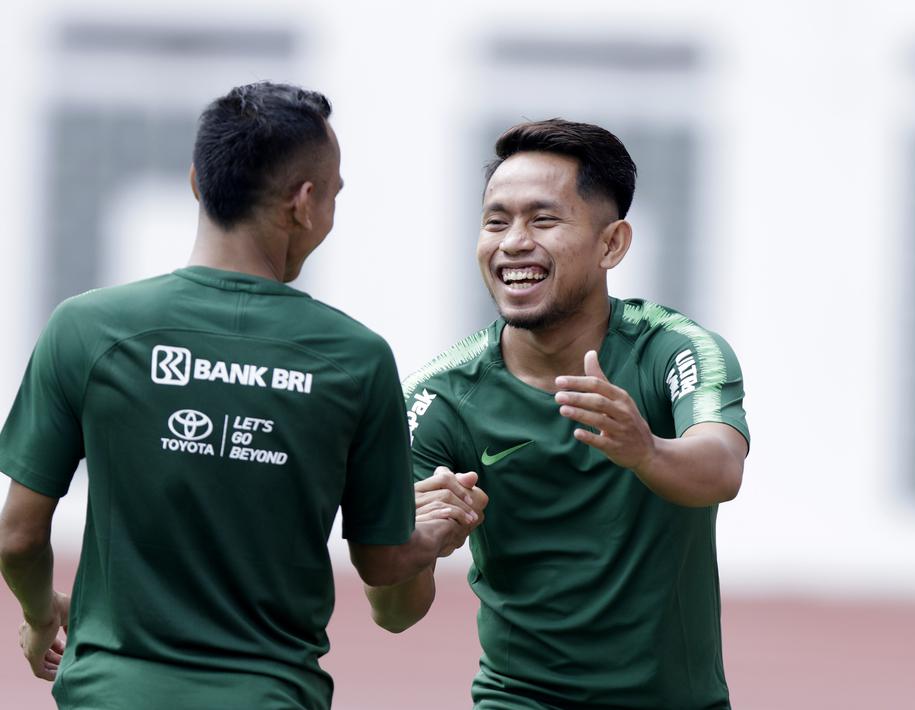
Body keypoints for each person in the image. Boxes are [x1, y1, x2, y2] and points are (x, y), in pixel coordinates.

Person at [0, 82, 478, 709]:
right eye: (334, 195)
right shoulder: (355, 359)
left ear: (198, 183)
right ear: (304, 203)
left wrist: (40, 615)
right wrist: (433, 536)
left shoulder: (88, 329)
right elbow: (387, 576)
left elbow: (17, 538)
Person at [401, 119, 750, 709]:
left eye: (543, 220)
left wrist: (646, 450)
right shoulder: (436, 399)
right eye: (496, 220)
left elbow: (721, 470)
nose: (513, 242)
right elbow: (393, 613)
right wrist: (415, 546)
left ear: (611, 243)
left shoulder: (675, 350)